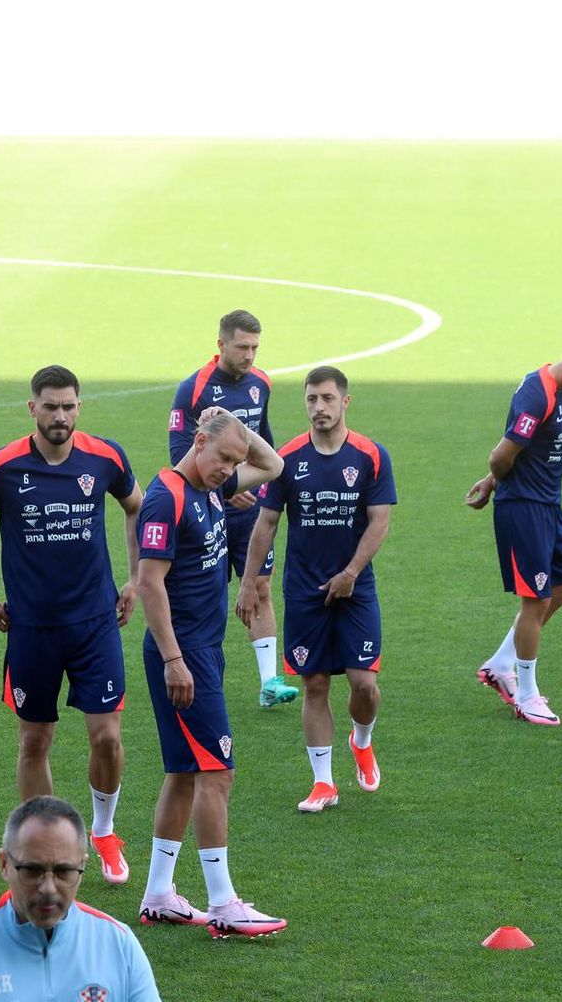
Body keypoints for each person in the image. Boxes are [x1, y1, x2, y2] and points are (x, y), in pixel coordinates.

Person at [0, 365, 143, 886]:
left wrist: (134, 579)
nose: (60, 415)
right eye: (51, 406)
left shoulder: (105, 458)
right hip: (32, 629)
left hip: (95, 624)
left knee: (107, 737)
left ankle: (103, 832)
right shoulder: (3, 465)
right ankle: (46, 846)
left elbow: (136, 508)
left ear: (79, 406)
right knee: (34, 742)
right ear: (32, 408)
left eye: (68, 406)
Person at [135, 408, 288, 937]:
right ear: (197, 442)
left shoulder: (211, 487)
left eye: (233, 461)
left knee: (183, 772)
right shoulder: (168, 498)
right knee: (216, 773)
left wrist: (237, 431)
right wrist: (174, 659)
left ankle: (159, 894)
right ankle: (223, 903)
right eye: (222, 457)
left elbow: (272, 466)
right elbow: (149, 583)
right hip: (184, 656)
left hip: (202, 651)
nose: (229, 469)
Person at [238, 366, 397, 812]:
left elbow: (379, 521)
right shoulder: (287, 459)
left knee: (364, 685)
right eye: (311, 399)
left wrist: (351, 572)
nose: (319, 407)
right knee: (315, 684)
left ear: (345, 401)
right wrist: (249, 582)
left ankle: (361, 740)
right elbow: (266, 524)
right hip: (305, 591)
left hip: (355, 588)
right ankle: (323, 782)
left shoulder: (370, 455)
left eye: (327, 398)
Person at [466, 342, 562, 727]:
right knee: (536, 600)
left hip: (549, 506)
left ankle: (501, 663)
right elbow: (501, 456)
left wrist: (491, 481)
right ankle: (527, 695)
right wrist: (495, 482)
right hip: (524, 509)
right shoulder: (537, 394)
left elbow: (523, 450)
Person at [0, 795, 160, 1001]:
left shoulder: (119, 946)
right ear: (5, 864)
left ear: (82, 866)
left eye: (64, 871)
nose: (48, 888)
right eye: (32, 870)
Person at [168, 309, 297, 708]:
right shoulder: (193, 389)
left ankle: (269, 682)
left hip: (253, 511)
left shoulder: (261, 383)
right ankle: (191, 668)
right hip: (211, 509)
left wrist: (262, 486)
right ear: (221, 344)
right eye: (242, 347)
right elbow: (179, 456)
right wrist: (225, 488)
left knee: (259, 585)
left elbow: (265, 442)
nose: (250, 355)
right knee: (207, 591)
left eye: (255, 347)